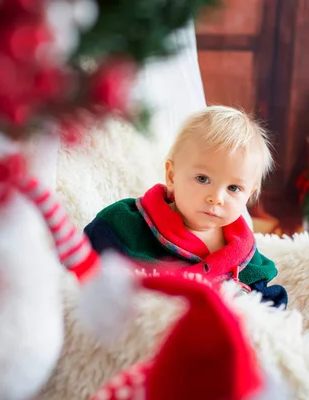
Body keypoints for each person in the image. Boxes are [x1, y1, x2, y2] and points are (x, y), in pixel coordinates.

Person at [84, 105, 288, 308]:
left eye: (233, 188)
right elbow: (80, 266)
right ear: (172, 176)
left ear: (249, 195)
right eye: (202, 178)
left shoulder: (244, 252)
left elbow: (266, 312)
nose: (216, 198)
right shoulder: (127, 223)